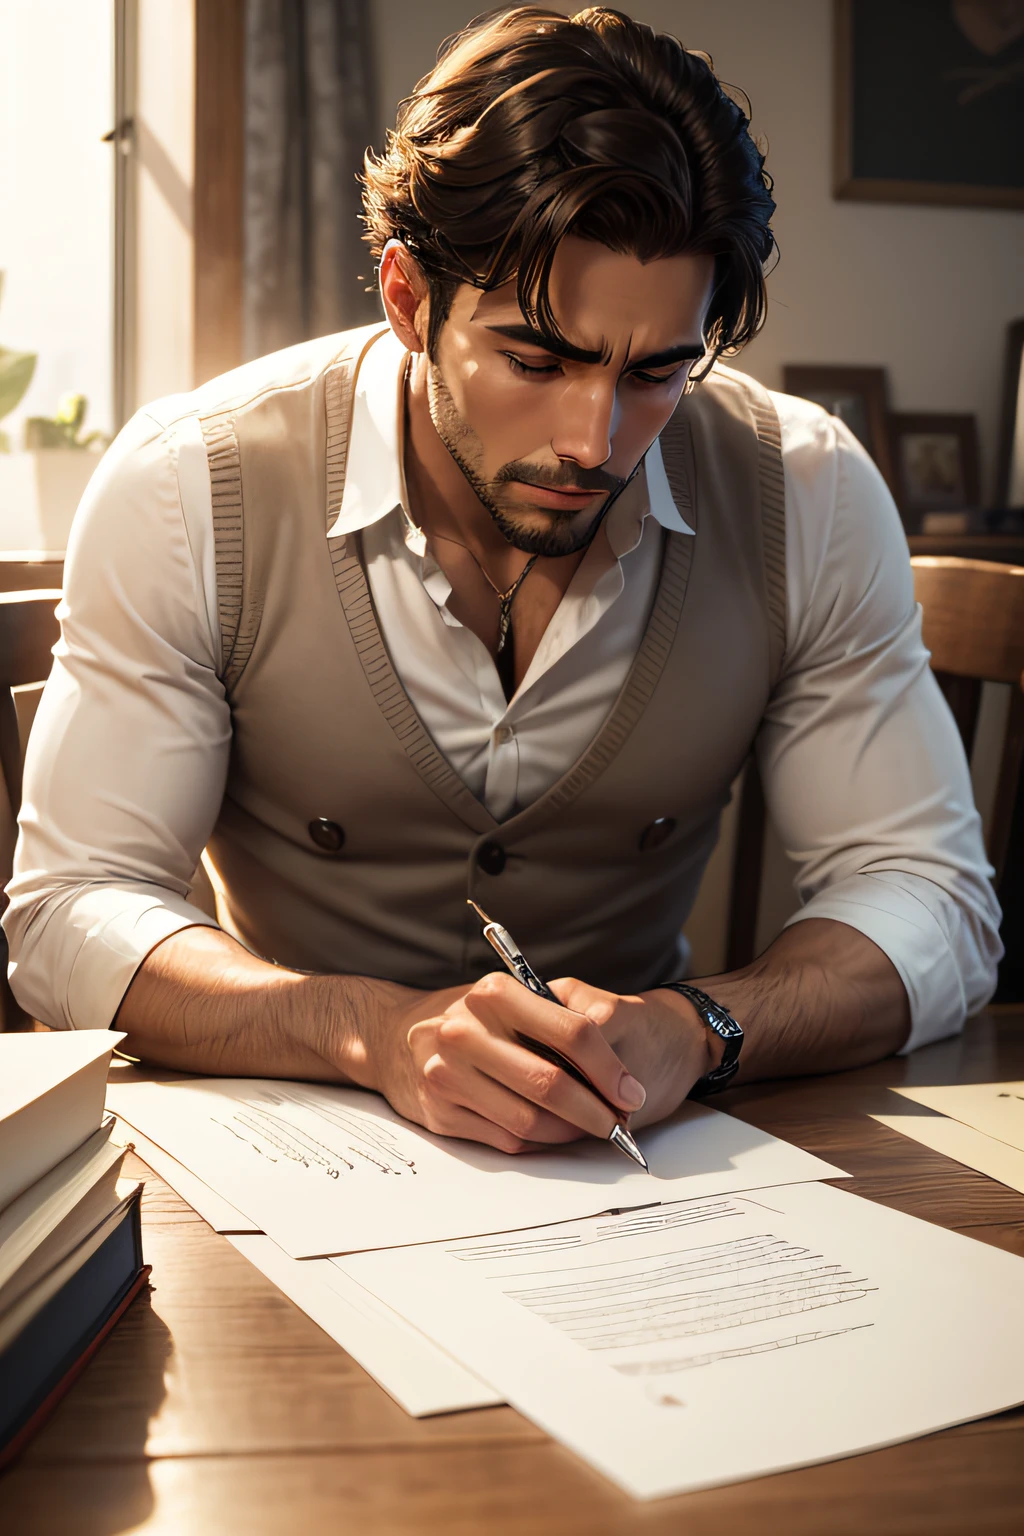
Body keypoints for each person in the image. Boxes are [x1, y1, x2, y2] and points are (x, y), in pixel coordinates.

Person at [5, 6, 1000, 1156]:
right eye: (537, 358)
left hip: (640, 1170)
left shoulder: (808, 491)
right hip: (287, 1152)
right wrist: (367, 1030)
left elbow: (932, 904)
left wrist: (702, 1026)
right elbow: (71, 916)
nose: (595, 439)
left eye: (658, 371)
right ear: (408, 300)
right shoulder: (189, 483)